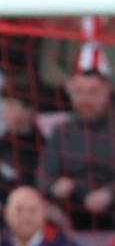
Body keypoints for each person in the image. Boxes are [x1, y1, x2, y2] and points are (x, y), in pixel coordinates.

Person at [38, 66, 115, 230]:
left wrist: (109, 193)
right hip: (71, 215)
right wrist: (56, 186)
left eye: (93, 92)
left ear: (107, 92)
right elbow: (43, 177)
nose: (85, 99)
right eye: (79, 92)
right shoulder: (61, 131)